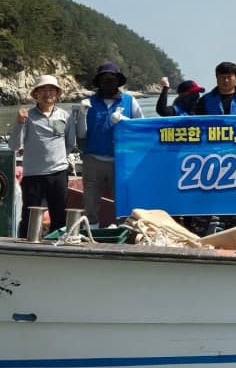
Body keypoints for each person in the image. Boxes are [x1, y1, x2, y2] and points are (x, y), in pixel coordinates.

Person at [77, 61, 144, 226]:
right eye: (104, 77)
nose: (108, 81)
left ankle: (123, 232)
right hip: (93, 160)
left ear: (118, 80)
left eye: (112, 77)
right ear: (99, 81)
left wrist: (125, 120)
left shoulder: (130, 101)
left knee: (123, 201)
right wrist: (81, 114)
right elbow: (80, 134)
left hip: (120, 161)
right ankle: (91, 231)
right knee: (90, 203)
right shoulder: (88, 103)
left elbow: (141, 129)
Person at [9, 75, 76, 237]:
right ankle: (25, 249)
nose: (48, 93)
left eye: (51, 89)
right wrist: (19, 123)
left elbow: (70, 143)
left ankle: (57, 249)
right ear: (36, 94)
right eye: (43, 90)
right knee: (29, 217)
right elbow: (14, 146)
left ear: (57, 93)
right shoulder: (27, 116)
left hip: (58, 174)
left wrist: (58, 159)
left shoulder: (65, 116)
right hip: (34, 175)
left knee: (59, 216)